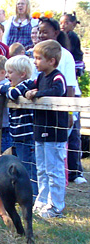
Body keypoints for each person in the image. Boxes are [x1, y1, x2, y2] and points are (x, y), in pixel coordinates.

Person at [37, 16, 86, 185]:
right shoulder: (38, 53)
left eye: (46, 32)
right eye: (40, 32)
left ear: (56, 33)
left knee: (66, 143)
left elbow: (70, 86)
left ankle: (71, 174)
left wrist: (70, 112)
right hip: (47, 107)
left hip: (65, 102)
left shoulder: (65, 55)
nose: (42, 35)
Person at [24, 40, 68, 218]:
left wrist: (37, 94)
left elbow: (58, 91)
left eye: (38, 58)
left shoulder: (58, 77)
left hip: (54, 132)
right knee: (41, 168)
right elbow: (29, 86)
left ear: (51, 61)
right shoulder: (40, 78)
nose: (35, 62)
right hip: (39, 129)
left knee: (54, 169)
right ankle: (42, 201)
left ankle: (56, 205)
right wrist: (22, 90)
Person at [0, 55, 38, 199]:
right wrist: (5, 88)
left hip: (26, 136)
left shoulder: (27, 84)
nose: (7, 75)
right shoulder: (16, 86)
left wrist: (5, 89)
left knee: (28, 168)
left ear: (22, 74)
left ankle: (33, 196)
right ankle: (24, 194)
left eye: (10, 72)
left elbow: (12, 94)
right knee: (21, 166)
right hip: (18, 136)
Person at [60, 12, 84, 77]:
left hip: (75, 61)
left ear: (73, 24)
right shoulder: (64, 35)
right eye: (61, 23)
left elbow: (69, 50)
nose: (62, 25)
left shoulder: (71, 35)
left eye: (66, 23)